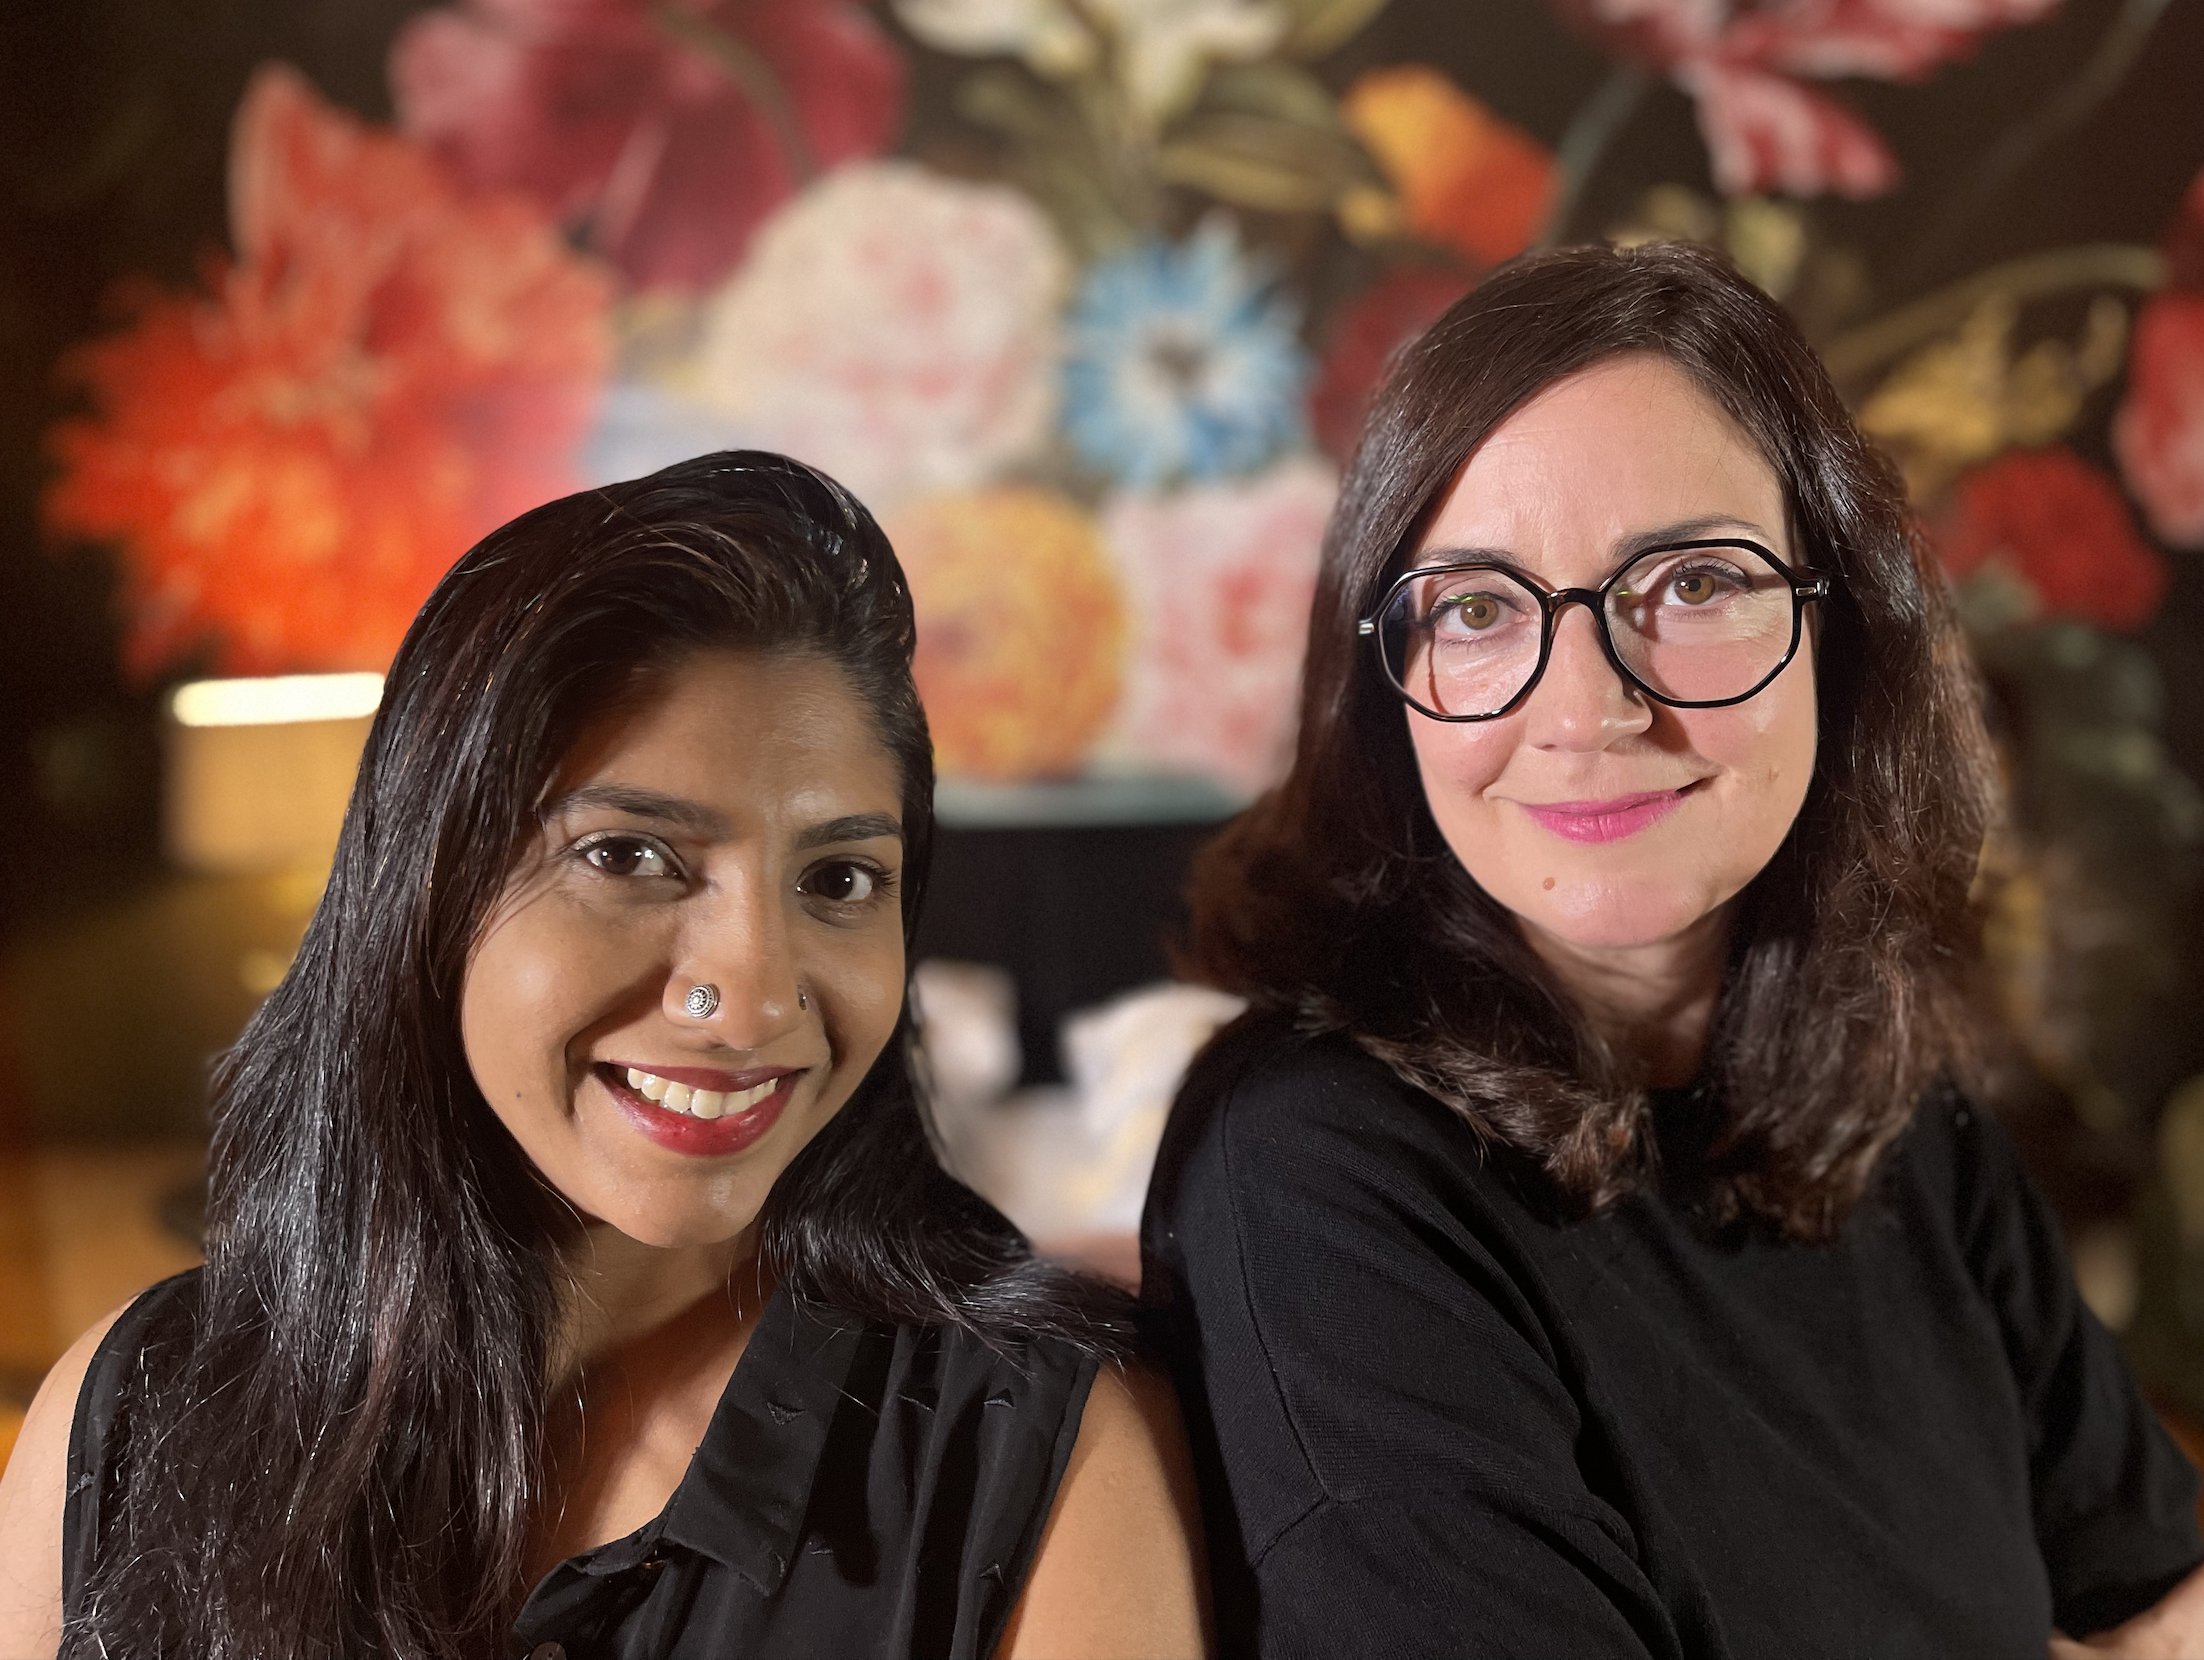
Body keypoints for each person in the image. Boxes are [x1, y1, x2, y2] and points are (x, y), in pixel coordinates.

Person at [1140, 242, 2204, 1659]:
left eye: (1693, 582)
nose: (1587, 711)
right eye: (1476, 608)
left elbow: (2153, 1604)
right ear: (1387, 689)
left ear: (1842, 627)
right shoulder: (1310, 1169)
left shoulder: (1897, 1104)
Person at [0, 453, 1208, 1660]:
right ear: (428, 885)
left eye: (839, 879)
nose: (748, 1001)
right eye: (628, 856)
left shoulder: (1038, 1461)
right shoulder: (129, 1417)